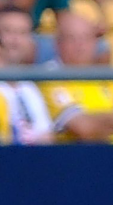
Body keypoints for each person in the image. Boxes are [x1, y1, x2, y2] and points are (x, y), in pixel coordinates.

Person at [41, 10, 113, 142]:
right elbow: (82, 128)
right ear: (57, 44)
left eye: (86, 38)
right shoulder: (50, 76)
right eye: (71, 38)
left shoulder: (105, 75)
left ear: (96, 43)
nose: (80, 45)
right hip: (77, 157)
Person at [0, 5, 52, 144]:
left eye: (23, 33)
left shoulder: (30, 88)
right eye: (8, 31)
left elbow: (47, 139)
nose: (15, 40)